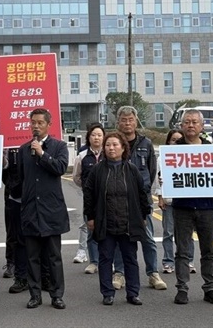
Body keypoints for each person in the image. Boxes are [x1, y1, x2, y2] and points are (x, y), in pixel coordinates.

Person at [84, 131, 150, 305]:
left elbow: (142, 194)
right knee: (105, 258)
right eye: (107, 145)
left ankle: (133, 293)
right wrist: (90, 217)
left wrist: (143, 215)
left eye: (115, 145)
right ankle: (107, 293)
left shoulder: (132, 170)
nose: (111, 148)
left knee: (130, 258)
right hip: (105, 222)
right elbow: (89, 194)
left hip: (128, 222)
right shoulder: (98, 170)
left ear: (123, 148)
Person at [18, 108, 69, 310]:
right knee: (32, 257)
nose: (36, 126)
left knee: (54, 256)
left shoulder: (59, 146)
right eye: (33, 123)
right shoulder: (23, 150)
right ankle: (35, 295)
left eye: (40, 123)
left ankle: (57, 295)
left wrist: (42, 153)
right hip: (31, 210)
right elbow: (20, 179)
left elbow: (60, 168)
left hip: (51, 211)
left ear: (49, 124)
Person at [112, 106, 166, 291]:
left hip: (141, 201)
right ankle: (119, 273)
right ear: (118, 122)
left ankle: (153, 273)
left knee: (148, 238)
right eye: (124, 120)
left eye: (130, 119)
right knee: (120, 239)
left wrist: (142, 193)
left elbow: (151, 172)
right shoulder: (113, 143)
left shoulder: (146, 144)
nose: (127, 123)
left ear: (136, 121)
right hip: (118, 200)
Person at [172, 109, 213, 305]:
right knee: (182, 251)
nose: (191, 125)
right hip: (182, 206)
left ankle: (209, 288)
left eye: (194, 122)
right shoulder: (174, 149)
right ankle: (182, 288)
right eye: (187, 122)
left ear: (202, 126)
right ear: (182, 126)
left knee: (208, 250)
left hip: (207, 206)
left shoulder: (210, 148)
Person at [153, 129, 196, 275]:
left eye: (179, 140)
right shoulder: (162, 158)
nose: (176, 142)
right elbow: (159, 179)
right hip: (169, 201)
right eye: (173, 140)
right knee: (168, 233)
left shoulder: (190, 156)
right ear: (168, 141)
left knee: (187, 233)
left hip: (186, 202)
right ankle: (168, 261)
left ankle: (189, 260)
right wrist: (160, 197)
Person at [72, 123, 105, 274]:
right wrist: (87, 189)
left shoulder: (109, 153)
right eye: (93, 135)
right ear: (88, 138)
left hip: (109, 200)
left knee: (110, 231)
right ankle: (94, 261)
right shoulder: (82, 156)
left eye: (99, 135)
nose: (96, 137)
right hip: (90, 199)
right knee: (91, 229)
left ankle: (109, 261)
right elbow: (77, 177)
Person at [2, 147, 29, 294]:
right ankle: (15, 269)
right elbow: (5, 175)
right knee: (15, 235)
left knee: (41, 238)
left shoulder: (43, 146)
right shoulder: (8, 149)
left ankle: (44, 276)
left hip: (37, 197)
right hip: (14, 197)